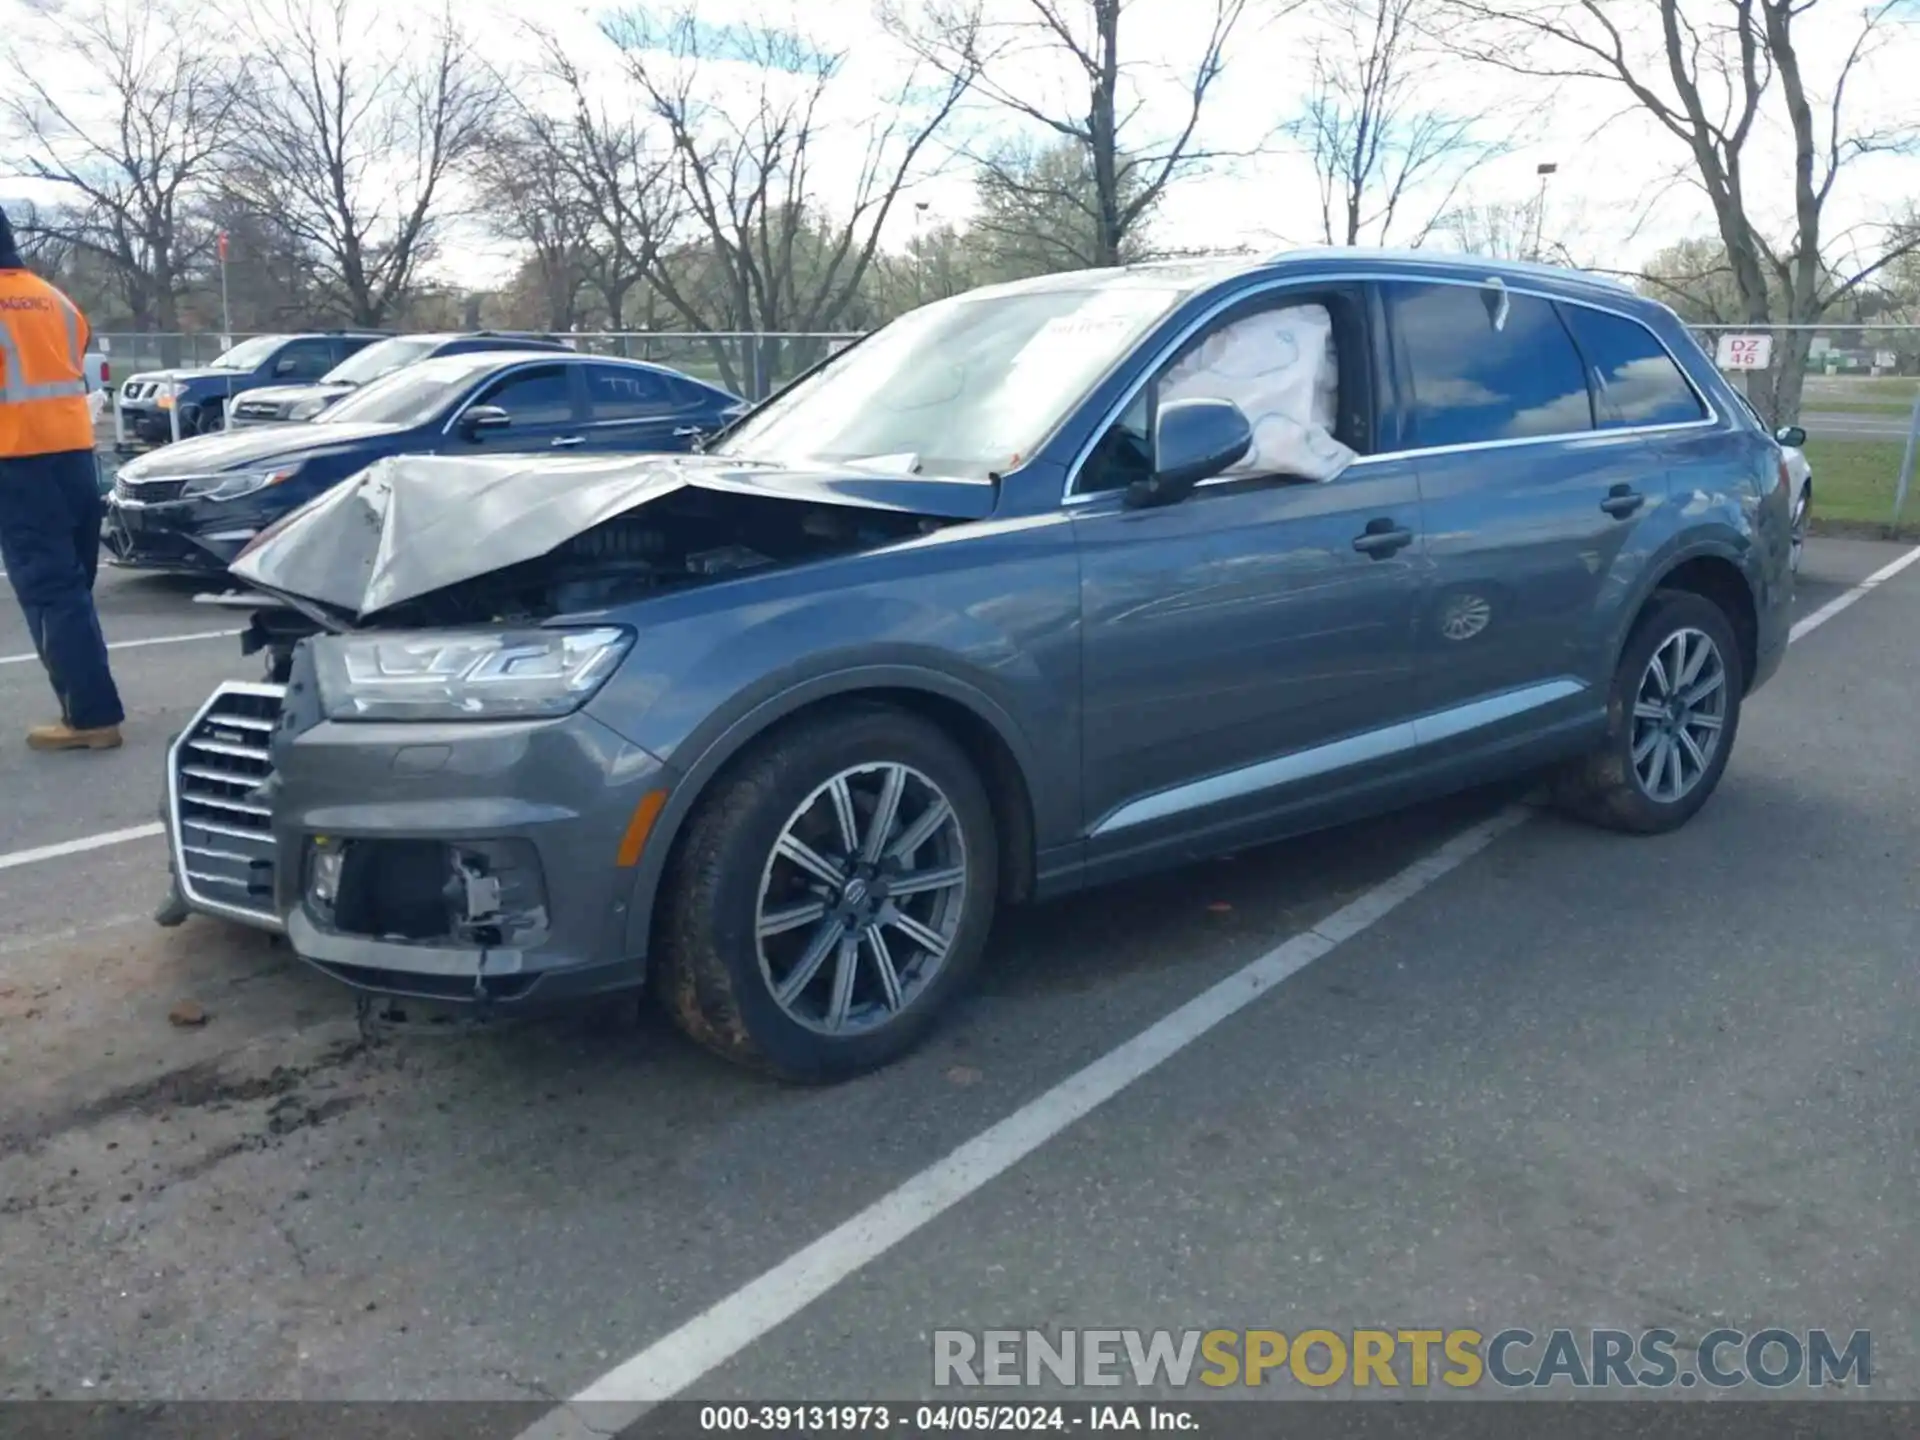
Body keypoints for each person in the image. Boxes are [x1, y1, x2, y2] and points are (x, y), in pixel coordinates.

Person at [0, 206, 124, 750]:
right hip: (75, 457)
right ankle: (91, 706)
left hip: (18, 460)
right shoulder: (55, 298)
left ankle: (91, 717)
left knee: (51, 593)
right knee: (71, 590)